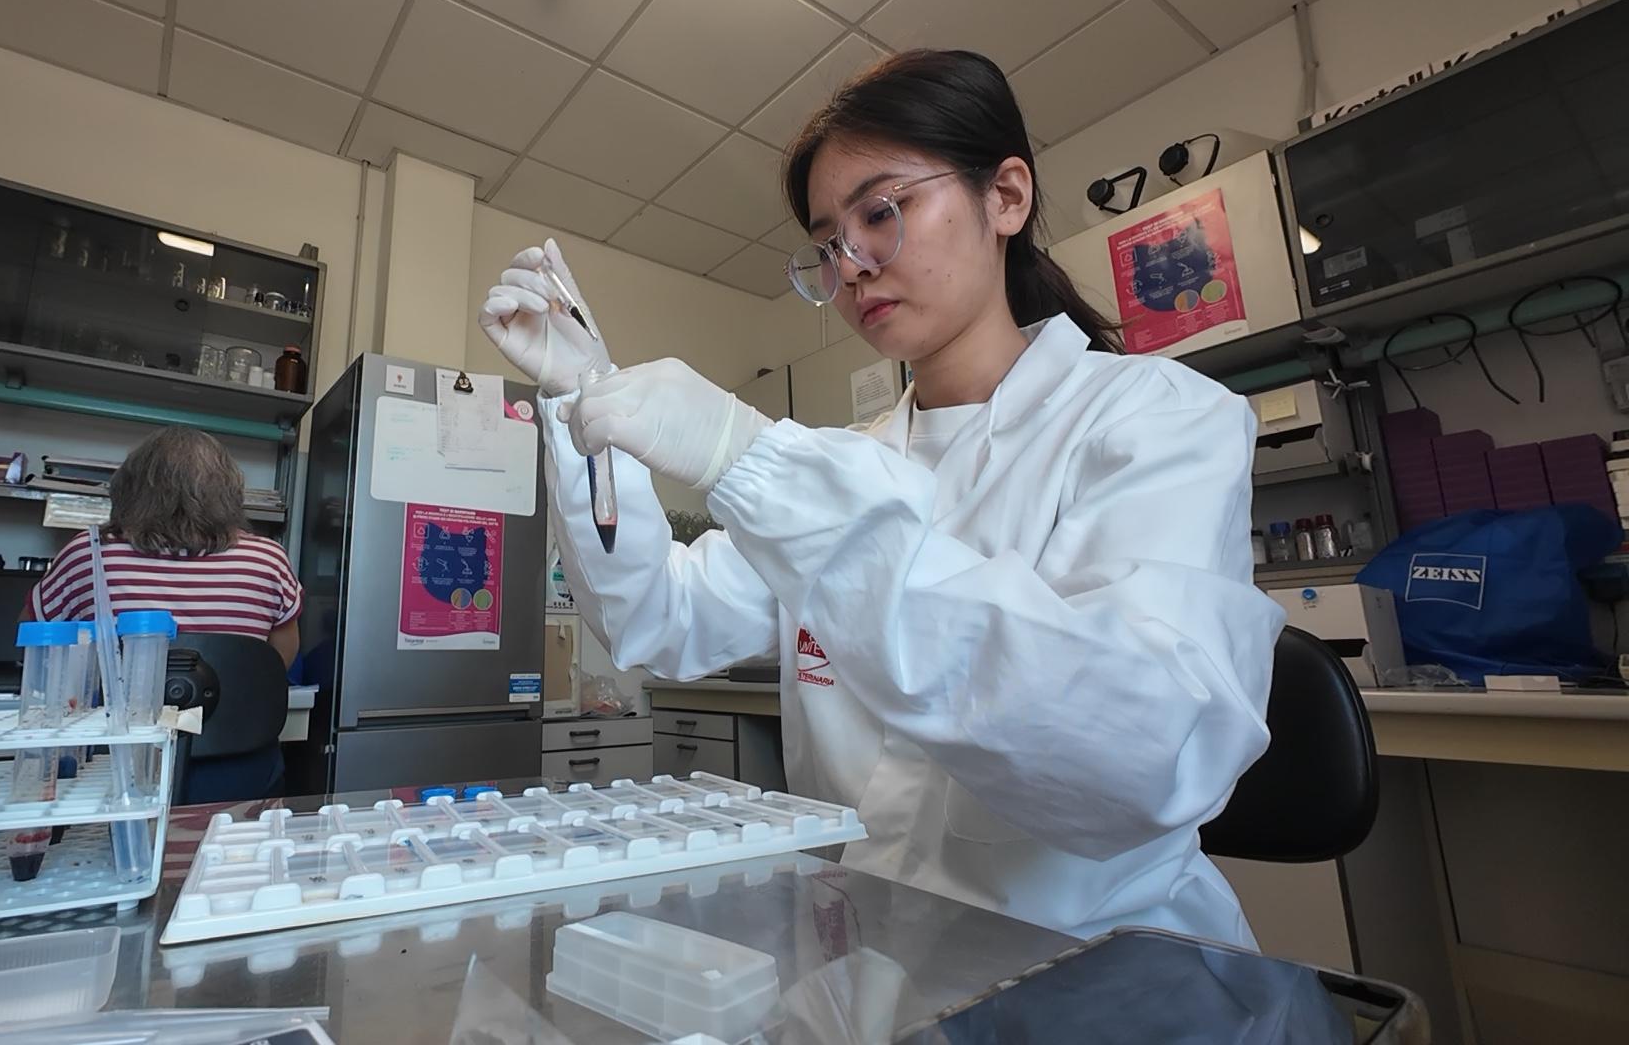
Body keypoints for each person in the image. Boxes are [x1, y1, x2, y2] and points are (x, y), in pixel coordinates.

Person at [477, 49, 1285, 946]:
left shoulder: (1159, 419)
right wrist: (580, 400)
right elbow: (658, 618)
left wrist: (743, 456)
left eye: (883, 211)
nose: (851, 263)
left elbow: (1141, 750)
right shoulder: (843, 464)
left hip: (1105, 972)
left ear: (1005, 198)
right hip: (877, 961)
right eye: (829, 242)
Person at [28, 425, 300, 799]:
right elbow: (277, 658)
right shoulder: (268, 558)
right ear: (230, 493)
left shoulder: (87, 553)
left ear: (128, 489)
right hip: (239, 770)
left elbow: (37, 644)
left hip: (111, 766)